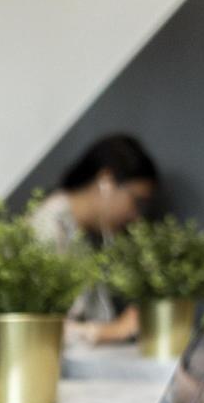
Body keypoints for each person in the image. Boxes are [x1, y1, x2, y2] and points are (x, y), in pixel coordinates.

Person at [27, 134, 158, 344]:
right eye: (137, 201)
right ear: (106, 180)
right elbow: (34, 331)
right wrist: (115, 330)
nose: (136, 216)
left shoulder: (85, 236)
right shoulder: (47, 227)